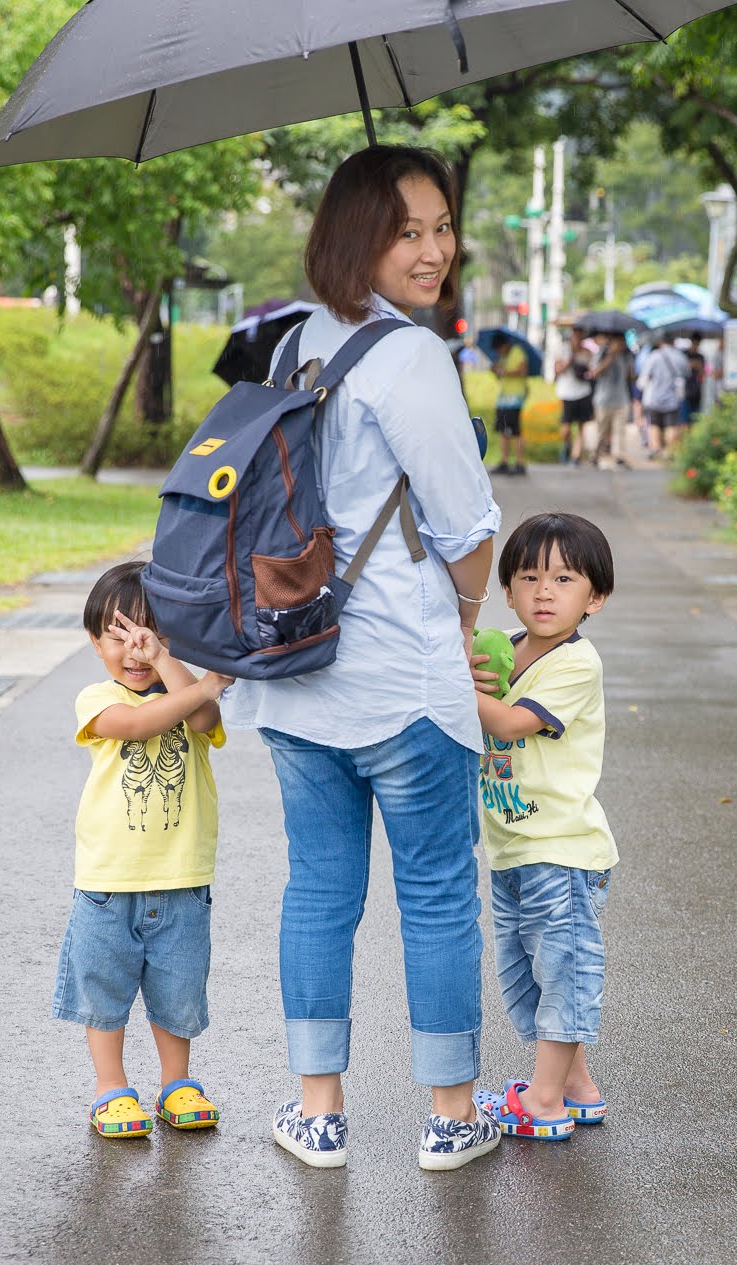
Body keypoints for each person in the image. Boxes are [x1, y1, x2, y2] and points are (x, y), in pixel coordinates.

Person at [232, 145, 504, 1172]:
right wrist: (469, 624)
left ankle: (318, 1113)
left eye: (441, 227)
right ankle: (447, 1116)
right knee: (436, 891)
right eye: (409, 230)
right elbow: (466, 524)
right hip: (400, 681)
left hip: (298, 670)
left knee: (318, 890)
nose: (435, 249)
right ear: (360, 237)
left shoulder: (294, 343)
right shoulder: (413, 358)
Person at [56, 562, 233, 1141]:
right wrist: (201, 682)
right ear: (94, 642)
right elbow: (133, 727)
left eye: (149, 635)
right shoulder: (97, 698)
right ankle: (112, 1087)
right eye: (118, 636)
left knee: (178, 989)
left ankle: (176, 1083)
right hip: (108, 883)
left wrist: (171, 666)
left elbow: (203, 716)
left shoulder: (184, 690)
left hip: (182, 878)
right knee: (104, 988)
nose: (134, 650)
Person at [467, 513, 617, 1141]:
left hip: (562, 849)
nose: (544, 592)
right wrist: (468, 671)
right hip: (512, 846)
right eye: (529, 577)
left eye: (564, 578)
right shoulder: (501, 648)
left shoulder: (577, 665)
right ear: (507, 590)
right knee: (528, 975)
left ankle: (544, 1101)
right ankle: (577, 1087)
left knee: (564, 970)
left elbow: (507, 724)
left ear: (595, 597)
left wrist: (450, 684)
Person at [584, 332, 632, 470]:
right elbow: (594, 373)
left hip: (622, 399)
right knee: (601, 431)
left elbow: (631, 375)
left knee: (620, 430)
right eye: (619, 342)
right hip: (603, 400)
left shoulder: (626, 356)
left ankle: (619, 456)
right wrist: (609, 357)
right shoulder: (602, 354)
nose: (621, 345)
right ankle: (595, 454)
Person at [637, 333, 686, 459]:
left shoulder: (654, 356)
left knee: (654, 424)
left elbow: (643, 379)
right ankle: (669, 452)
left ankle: (656, 450)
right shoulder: (680, 357)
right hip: (673, 398)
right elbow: (686, 373)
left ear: (660, 342)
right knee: (671, 425)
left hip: (654, 398)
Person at [551, 325, 594, 466]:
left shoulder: (587, 352)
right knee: (566, 427)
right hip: (567, 392)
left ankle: (575, 456)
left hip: (583, 392)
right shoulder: (562, 349)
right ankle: (566, 445)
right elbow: (557, 370)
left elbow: (591, 371)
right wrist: (569, 361)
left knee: (581, 426)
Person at [489, 333, 530, 476]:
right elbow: (500, 374)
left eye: (499, 349)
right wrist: (496, 371)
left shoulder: (517, 352)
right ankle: (504, 461)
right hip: (503, 398)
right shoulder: (502, 357)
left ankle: (520, 462)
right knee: (503, 431)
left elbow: (523, 370)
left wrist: (506, 372)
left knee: (515, 431)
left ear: (505, 345)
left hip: (515, 398)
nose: (498, 352)